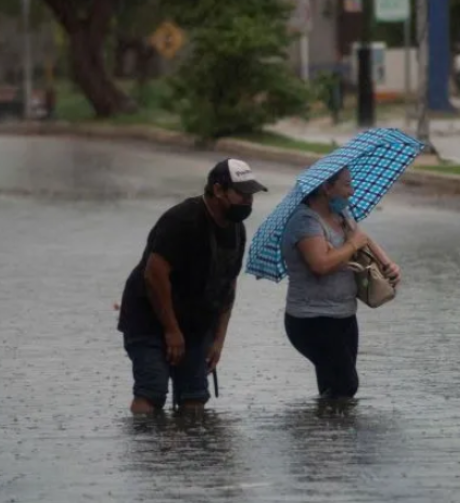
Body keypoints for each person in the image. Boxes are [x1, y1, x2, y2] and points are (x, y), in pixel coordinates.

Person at [117, 159, 267, 414]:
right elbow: (154, 275)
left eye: (251, 195)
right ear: (218, 190)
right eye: (242, 194)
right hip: (148, 318)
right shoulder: (182, 220)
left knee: (195, 396)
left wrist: (218, 339)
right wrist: (172, 331)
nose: (248, 201)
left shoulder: (236, 230)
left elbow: (228, 285)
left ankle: (192, 452)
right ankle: (147, 449)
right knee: (151, 390)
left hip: (197, 323)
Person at [280, 168, 401, 400]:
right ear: (326, 188)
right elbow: (320, 265)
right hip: (311, 320)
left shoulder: (342, 214)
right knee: (346, 384)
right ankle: (330, 432)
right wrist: (352, 245)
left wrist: (388, 264)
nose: (351, 191)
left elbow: (362, 238)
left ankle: (327, 432)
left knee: (335, 388)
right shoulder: (305, 221)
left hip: (344, 316)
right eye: (346, 185)